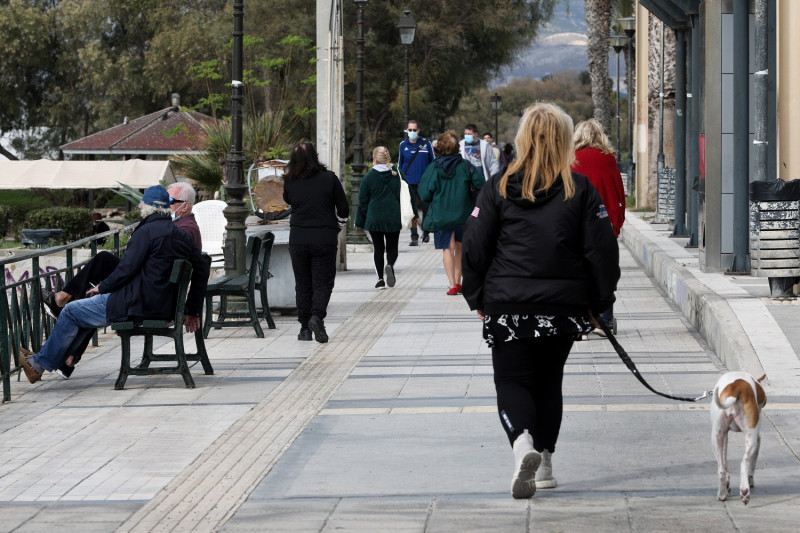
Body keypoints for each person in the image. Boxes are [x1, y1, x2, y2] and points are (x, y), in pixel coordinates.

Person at [461, 103, 620, 499]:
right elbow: (602, 250)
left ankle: (522, 444)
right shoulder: (579, 189)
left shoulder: (497, 187)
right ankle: (545, 463)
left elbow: (475, 245)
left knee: (512, 380)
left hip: (507, 303)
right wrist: (601, 301)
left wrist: (476, 296)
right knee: (549, 381)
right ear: (565, 141)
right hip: (562, 307)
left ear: (522, 139)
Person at [20, 186, 210, 384]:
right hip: (164, 306)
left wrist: (102, 288)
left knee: (70, 311)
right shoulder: (180, 235)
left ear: (145, 207)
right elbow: (202, 269)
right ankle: (59, 360)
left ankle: (38, 364)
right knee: (80, 310)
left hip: (136, 305)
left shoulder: (146, 232)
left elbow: (127, 268)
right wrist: (192, 309)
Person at [282, 142, 349, 343]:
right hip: (324, 239)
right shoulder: (329, 178)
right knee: (323, 282)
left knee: (303, 284)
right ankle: (317, 317)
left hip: (298, 239)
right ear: (315, 156)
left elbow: (288, 200)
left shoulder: (289, 181)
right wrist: (337, 226)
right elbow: (344, 209)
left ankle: (304, 328)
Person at [571, 118, 626, 334]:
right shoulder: (608, 159)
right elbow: (617, 191)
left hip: (576, 223)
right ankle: (604, 320)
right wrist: (616, 223)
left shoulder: (571, 158)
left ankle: (581, 320)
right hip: (603, 223)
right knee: (604, 270)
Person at [419, 131, 485, 295]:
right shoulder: (465, 165)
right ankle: (458, 282)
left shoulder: (434, 167)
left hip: (441, 215)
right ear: (457, 148)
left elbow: (425, 193)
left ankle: (452, 286)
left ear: (440, 147)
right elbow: (480, 183)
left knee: (447, 248)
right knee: (460, 247)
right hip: (464, 214)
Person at [356, 146, 402, 290]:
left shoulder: (369, 177)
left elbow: (362, 200)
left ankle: (380, 279)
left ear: (374, 159)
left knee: (378, 248)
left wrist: (367, 214)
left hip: (374, 217)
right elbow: (406, 194)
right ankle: (390, 265)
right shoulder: (396, 174)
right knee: (392, 247)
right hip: (393, 215)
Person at [398, 120, 435, 246]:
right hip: (409, 183)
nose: (412, 132)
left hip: (424, 183)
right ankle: (414, 236)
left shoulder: (426, 144)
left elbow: (433, 163)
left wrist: (431, 179)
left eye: (414, 130)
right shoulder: (403, 145)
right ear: (407, 130)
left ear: (418, 130)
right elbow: (400, 165)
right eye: (410, 130)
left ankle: (426, 231)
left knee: (426, 208)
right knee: (412, 210)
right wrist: (400, 181)